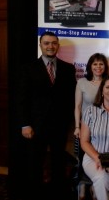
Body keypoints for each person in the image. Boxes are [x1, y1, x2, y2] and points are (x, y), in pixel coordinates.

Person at [17, 31, 77, 199]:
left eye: (53, 43)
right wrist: (25, 124)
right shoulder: (28, 69)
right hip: (35, 126)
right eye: (46, 43)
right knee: (35, 163)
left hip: (59, 125)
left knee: (58, 162)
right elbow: (22, 99)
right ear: (40, 45)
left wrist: (73, 124)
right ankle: (35, 194)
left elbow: (71, 98)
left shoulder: (68, 68)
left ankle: (57, 193)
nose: (50, 46)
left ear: (58, 45)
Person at [74, 53, 109, 138]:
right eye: (95, 64)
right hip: (86, 126)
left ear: (105, 66)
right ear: (90, 66)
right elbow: (78, 106)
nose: (98, 67)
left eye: (101, 64)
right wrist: (77, 127)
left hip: (106, 126)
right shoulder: (82, 82)